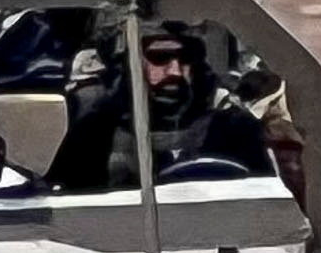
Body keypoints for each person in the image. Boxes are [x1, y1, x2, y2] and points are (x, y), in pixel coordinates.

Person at [53, 15, 286, 191]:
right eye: (160, 57)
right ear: (129, 61)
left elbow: (267, 203)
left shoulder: (233, 126)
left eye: (185, 58)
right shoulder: (95, 129)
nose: (175, 71)